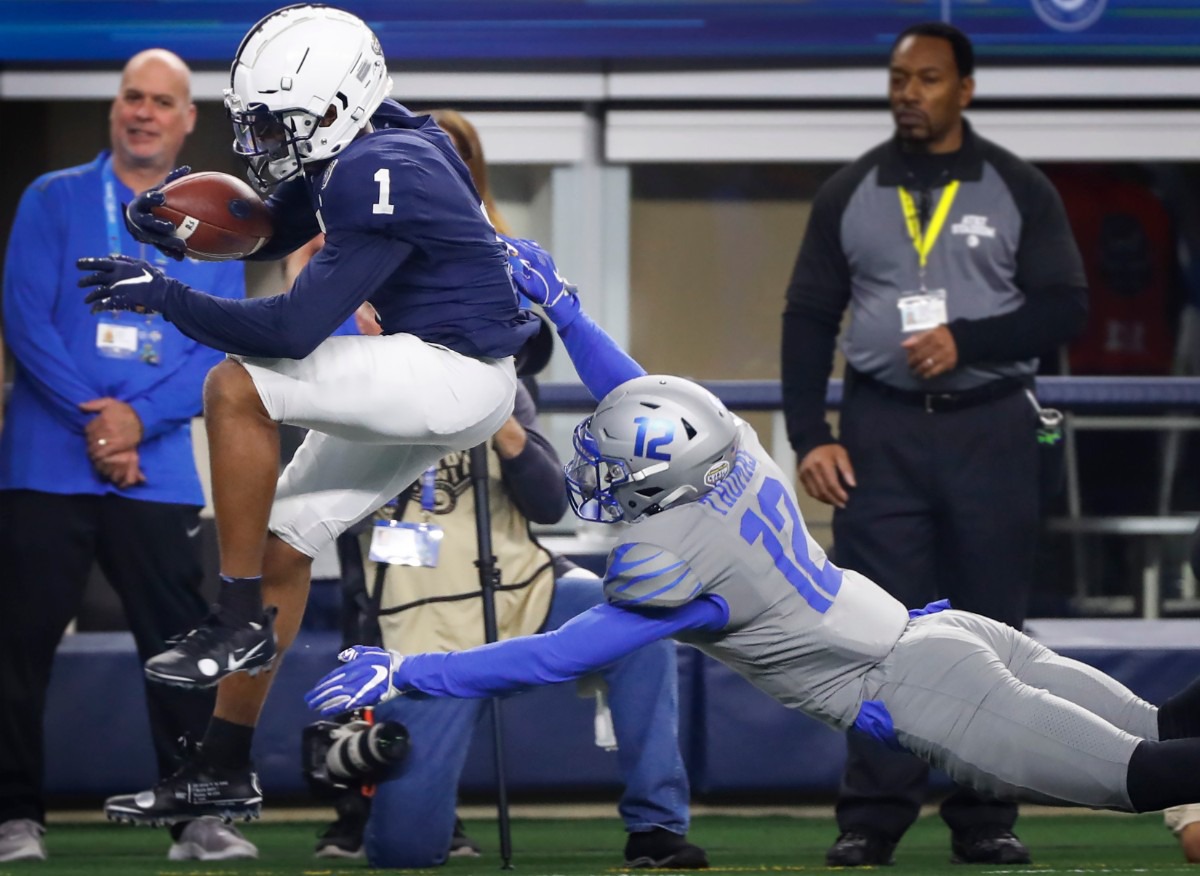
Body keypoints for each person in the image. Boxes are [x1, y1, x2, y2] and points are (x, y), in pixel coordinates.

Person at [309, 238, 1200, 868]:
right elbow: (638, 387)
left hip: (922, 683)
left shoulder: (670, 564)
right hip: (944, 634)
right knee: (1163, 730)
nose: (599, 473)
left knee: (1138, 775)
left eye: (614, 466)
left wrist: (405, 677)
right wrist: (567, 312)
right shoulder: (726, 442)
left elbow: (550, 656)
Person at [81, 4, 538, 827]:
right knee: (284, 542)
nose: (258, 140)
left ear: (334, 104)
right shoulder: (378, 138)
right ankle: (222, 767)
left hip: (453, 376)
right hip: (446, 375)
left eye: (272, 121)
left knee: (235, 385)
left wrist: (167, 295)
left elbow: (292, 331)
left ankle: (231, 617)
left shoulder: (381, 164)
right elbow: (275, 226)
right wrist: (183, 232)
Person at [302, 107, 701, 869]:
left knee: (640, 618)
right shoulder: (344, 361)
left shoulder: (492, 356)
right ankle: (389, 816)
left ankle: (658, 828)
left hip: (521, 589)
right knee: (403, 851)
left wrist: (507, 430)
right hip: (420, 629)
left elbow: (551, 503)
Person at [779, 21, 1089, 867]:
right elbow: (808, 319)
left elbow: (1066, 307)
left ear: (965, 90)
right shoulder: (850, 191)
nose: (908, 92)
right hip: (880, 429)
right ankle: (871, 818)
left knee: (990, 631)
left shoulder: (1017, 187)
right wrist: (811, 434)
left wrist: (970, 340)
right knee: (878, 630)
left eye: (927, 79)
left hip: (991, 426)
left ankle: (985, 816)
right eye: (898, 78)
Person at [0, 50, 253, 863]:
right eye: (131, 98)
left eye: (161, 102)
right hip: (45, 460)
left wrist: (135, 424)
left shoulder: (222, 218)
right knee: (17, 644)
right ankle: (12, 819)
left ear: (187, 120)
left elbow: (222, 344)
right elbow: (24, 318)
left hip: (158, 470)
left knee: (181, 645)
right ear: (116, 109)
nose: (143, 112)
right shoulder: (54, 197)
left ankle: (196, 822)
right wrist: (100, 421)